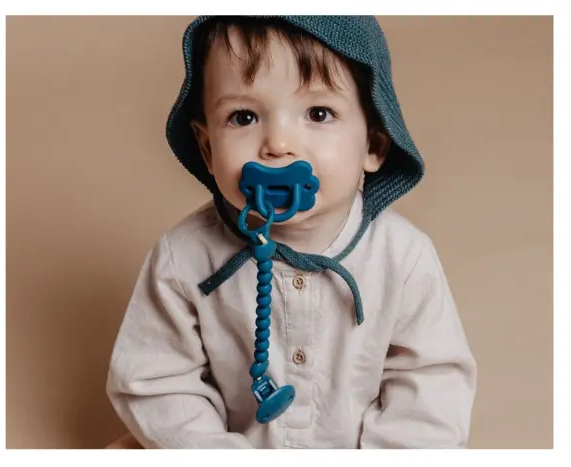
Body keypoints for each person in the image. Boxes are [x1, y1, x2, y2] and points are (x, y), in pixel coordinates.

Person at [106, 15, 477, 449]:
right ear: (207, 149)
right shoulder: (183, 258)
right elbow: (156, 383)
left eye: (319, 113)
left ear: (374, 144)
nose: (278, 144)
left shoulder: (403, 256)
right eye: (243, 116)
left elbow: (431, 385)